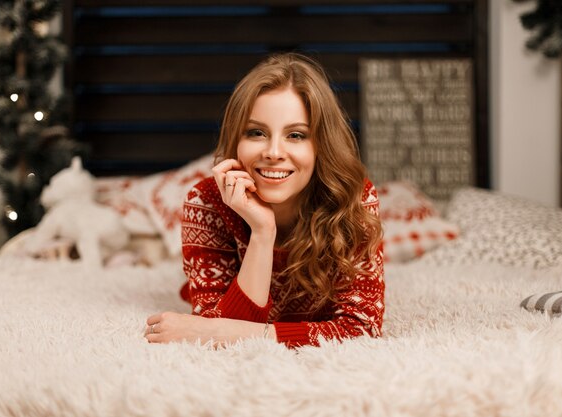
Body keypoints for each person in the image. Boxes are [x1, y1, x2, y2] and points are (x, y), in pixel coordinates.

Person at [145, 52, 384, 348]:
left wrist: (231, 333)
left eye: (296, 135)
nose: (273, 152)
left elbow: (363, 328)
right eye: (256, 132)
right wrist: (262, 232)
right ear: (236, 140)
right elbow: (216, 323)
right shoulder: (206, 201)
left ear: (322, 145)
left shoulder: (352, 198)